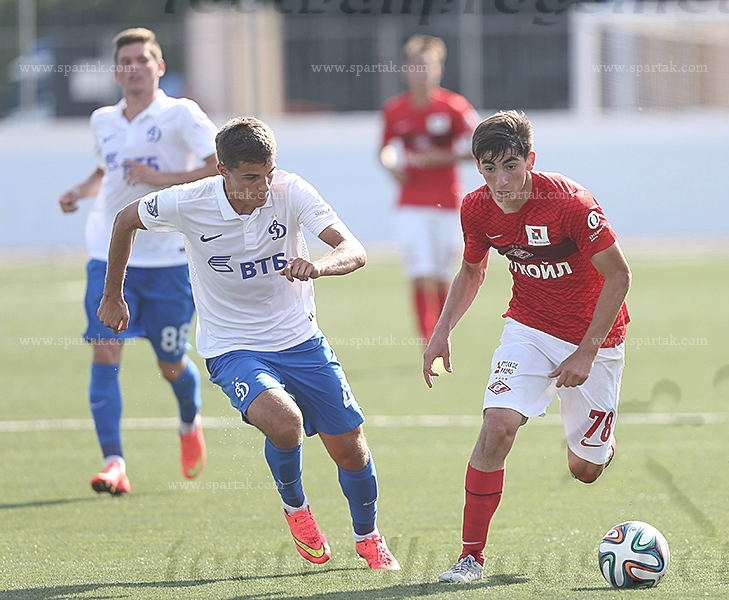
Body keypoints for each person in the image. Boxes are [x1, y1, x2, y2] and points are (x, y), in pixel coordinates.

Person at [97, 116, 401, 570]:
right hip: (232, 345)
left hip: (300, 338)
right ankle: (296, 508)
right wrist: (112, 295)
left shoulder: (290, 190)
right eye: (251, 178)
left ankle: (368, 537)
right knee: (285, 422)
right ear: (222, 170)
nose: (263, 187)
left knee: (350, 447)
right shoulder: (188, 201)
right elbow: (126, 220)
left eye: (268, 173)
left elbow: (353, 249)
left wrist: (318, 266)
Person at [423, 110, 632, 583]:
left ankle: (600, 442)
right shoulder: (476, 208)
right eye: (489, 168)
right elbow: (472, 270)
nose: (500, 181)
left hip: (594, 338)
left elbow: (619, 276)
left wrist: (586, 351)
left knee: (585, 470)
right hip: (529, 328)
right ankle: (471, 556)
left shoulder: (570, 204)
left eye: (511, 166)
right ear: (477, 167)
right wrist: (441, 330)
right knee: (497, 427)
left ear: (530, 161)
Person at [59, 27, 217, 496]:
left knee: (170, 362)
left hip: (168, 260)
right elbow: (107, 170)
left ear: (159, 66)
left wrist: (159, 177)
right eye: (125, 61)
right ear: (116, 72)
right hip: (109, 255)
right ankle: (114, 463)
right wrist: (80, 191)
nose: (134, 68)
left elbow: (217, 167)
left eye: (142, 59)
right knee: (105, 350)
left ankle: (189, 420)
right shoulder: (103, 120)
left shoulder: (180, 114)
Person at [380, 34, 479, 342]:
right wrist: (390, 166)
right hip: (411, 204)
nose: (421, 72)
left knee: (442, 274)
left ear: (439, 70)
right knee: (420, 272)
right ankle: (428, 342)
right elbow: (386, 150)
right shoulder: (395, 110)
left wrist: (441, 156)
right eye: (416, 66)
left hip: (447, 203)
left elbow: (479, 147)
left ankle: (442, 338)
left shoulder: (454, 107)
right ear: (405, 70)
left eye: (428, 66)